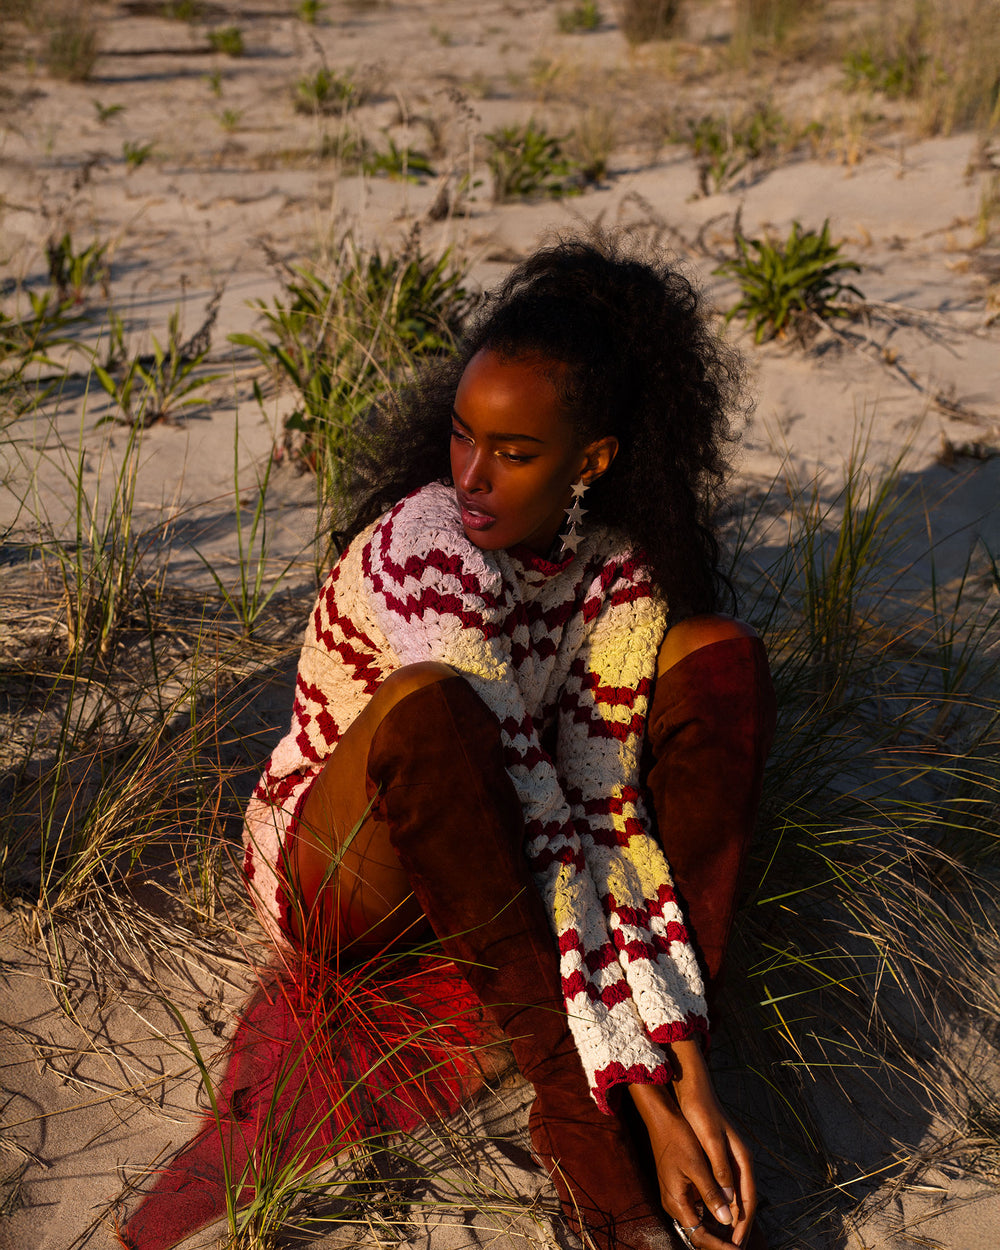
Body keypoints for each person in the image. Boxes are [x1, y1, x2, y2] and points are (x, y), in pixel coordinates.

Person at [241, 233, 777, 1250]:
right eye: (461, 436)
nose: (474, 475)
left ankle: (660, 1050)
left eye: (515, 452)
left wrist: (683, 1065)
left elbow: (602, 815)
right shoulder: (433, 543)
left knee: (717, 655)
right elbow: (537, 814)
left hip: (499, 852)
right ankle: (581, 1116)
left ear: (595, 460)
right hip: (346, 877)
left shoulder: (615, 574)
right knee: (442, 702)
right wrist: (634, 1106)